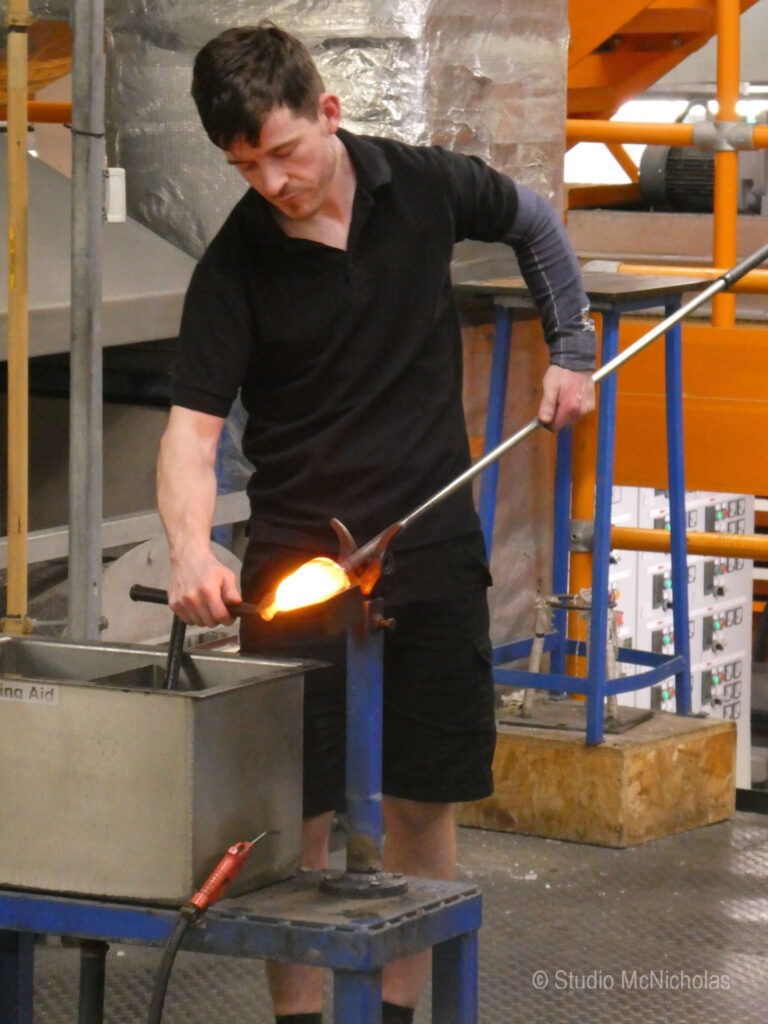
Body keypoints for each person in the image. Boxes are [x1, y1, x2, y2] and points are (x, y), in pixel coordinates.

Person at [157, 21, 597, 1024]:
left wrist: (570, 344)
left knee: (420, 800)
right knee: (295, 823)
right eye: (245, 166)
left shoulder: (422, 186)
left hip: (430, 547)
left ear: (330, 113)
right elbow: (190, 436)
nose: (271, 182)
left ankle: (398, 1017)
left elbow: (533, 219)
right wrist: (189, 544)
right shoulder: (235, 266)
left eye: (284, 152)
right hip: (296, 566)